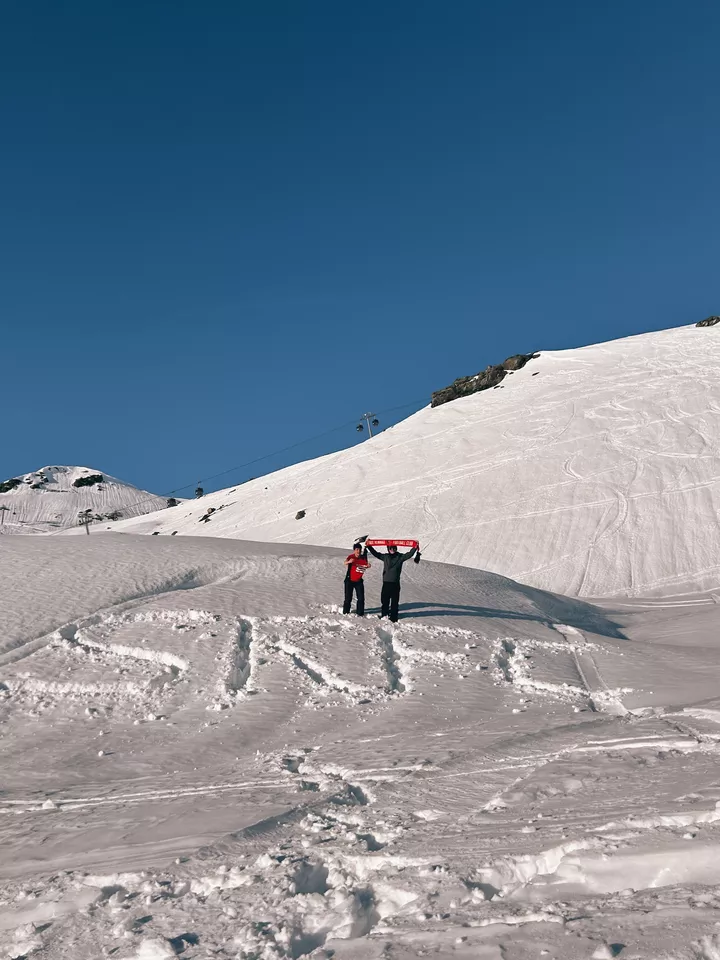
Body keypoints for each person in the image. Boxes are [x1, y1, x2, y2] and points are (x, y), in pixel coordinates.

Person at [365, 541, 418, 622]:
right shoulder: (385, 557)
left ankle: (393, 617)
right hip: (386, 583)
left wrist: (415, 547)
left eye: (393, 548)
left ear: (396, 549)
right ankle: (384, 615)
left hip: (395, 583)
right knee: (385, 601)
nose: (392, 550)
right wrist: (369, 546)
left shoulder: (400, 557)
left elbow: (409, 554)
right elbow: (376, 554)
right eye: (390, 548)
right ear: (388, 549)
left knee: (394, 602)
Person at [343, 543, 370, 616]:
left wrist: (368, 566)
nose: (358, 551)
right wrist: (349, 562)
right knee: (348, 598)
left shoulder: (363, 558)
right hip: (349, 580)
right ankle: (345, 613)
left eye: (359, 549)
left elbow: (365, 565)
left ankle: (360, 614)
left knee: (361, 598)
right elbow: (345, 562)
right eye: (357, 549)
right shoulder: (351, 557)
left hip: (359, 581)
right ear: (354, 550)